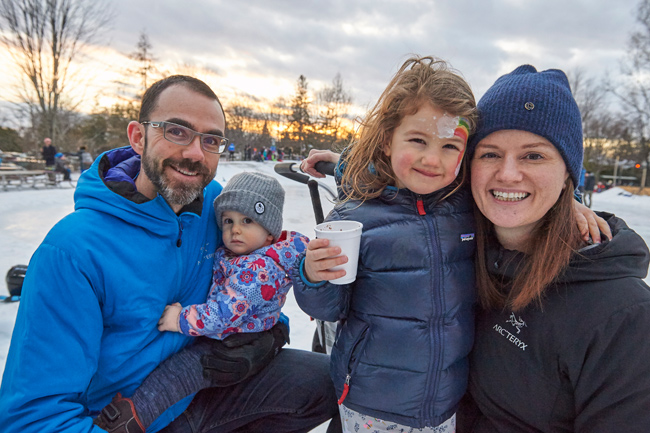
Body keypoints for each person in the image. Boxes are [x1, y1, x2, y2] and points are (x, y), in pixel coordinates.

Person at [0, 75, 339, 433]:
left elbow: (256, 282)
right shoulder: (73, 252)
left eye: (210, 140)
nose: (195, 153)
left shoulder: (218, 210)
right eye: (176, 131)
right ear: (137, 137)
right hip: (129, 420)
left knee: (336, 382)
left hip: (205, 388)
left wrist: (267, 339)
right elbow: (33, 419)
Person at [457, 65, 650, 431]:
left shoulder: (626, 317)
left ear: (568, 175)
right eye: (490, 154)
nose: (508, 173)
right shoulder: (456, 255)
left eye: (534, 156)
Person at [294, 56, 478, 432]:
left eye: (449, 147)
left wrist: (566, 202)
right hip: (372, 402)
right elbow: (327, 309)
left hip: (445, 402)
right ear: (386, 139)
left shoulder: (467, 207)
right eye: (417, 140)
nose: (432, 159)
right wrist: (314, 275)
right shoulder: (356, 216)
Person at [93, 171, 311, 432]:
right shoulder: (244, 255)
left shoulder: (258, 268)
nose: (235, 229)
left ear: (270, 234)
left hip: (230, 339)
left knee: (181, 374)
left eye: (248, 220)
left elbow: (224, 314)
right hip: (230, 333)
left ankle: (132, 418)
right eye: (228, 221)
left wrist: (180, 319)